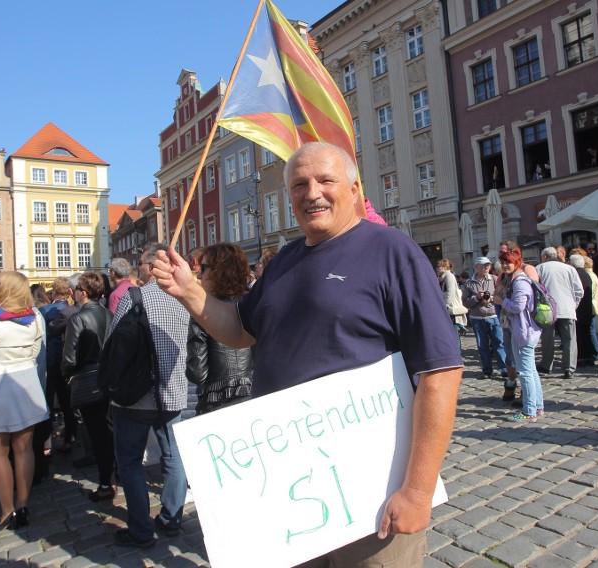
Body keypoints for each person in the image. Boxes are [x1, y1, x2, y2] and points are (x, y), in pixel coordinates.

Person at [152, 142, 463, 565]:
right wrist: (189, 290)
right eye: (299, 184)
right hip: (292, 491)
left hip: (373, 489)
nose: (311, 193)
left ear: (354, 188)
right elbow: (241, 330)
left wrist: (417, 491)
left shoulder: (391, 250)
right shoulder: (282, 262)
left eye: (325, 181)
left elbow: (441, 371)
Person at [110, 243, 190, 548]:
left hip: (136, 396)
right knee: (173, 457)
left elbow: (113, 344)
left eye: (142, 263)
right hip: (173, 391)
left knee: (130, 461)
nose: (141, 268)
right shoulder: (184, 298)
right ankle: (171, 519)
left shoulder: (134, 297)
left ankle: (141, 530)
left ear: (150, 266)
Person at [0, 271, 49, 530]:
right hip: (27, 382)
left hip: (0, 384)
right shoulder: (34, 316)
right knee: (24, 449)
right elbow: (37, 351)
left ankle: (6, 511)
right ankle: (23, 503)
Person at [61, 272, 114, 501]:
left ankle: (105, 483)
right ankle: (112, 474)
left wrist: (66, 374)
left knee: (97, 434)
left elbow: (70, 357)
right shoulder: (110, 314)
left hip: (88, 380)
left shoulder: (78, 319)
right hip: (109, 379)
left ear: (83, 293)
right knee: (109, 431)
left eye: (76, 290)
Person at [187, 244, 254, 414]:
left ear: (220, 271)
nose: (199, 275)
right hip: (256, 398)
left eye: (204, 268)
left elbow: (197, 373)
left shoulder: (204, 311)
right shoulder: (254, 303)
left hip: (217, 404)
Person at [494, 250, 543, 422]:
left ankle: (529, 411)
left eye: (508, 262)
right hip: (524, 330)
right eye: (503, 262)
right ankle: (537, 407)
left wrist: (502, 302)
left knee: (525, 372)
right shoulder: (513, 280)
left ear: (518, 262)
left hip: (524, 331)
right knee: (531, 370)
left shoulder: (520, 282)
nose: (505, 265)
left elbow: (517, 306)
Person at [38, 277, 77, 454]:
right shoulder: (74, 310)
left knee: (46, 401)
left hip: (49, 360)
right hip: (67, 360)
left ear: (53, 292)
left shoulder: (45, 311)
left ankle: (46, 442)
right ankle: (71, 436)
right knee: (67, 400)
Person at [536, 247, 583, 379]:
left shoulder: (540, 268)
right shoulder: (569, 268)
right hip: (567, 308)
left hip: (547, 309)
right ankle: (569, 368)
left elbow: (535, 289)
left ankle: (546, 365)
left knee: (548, 339)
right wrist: (574, 304)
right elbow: (579, 290)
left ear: (544, 256)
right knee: (569, 339)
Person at [462, 257, 507, 382]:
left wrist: (491, 298)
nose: (486, 268)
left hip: (494, 316)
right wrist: (476, 298)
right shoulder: (469, 283)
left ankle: (504, 369)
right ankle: (487, 370)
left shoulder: (494, 279)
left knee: (499, 343)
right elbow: (465, 303)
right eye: (483, 266)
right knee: (482, 346)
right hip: (477, 318)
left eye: (488, 265)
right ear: (476, 267)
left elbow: (502, 295)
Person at [569, 255, 596, 367]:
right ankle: (589, 357)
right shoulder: (586, 274)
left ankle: (581, 358)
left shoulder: (576, 274)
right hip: (587, 309)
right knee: (586, 335)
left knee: (580, 335)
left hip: (579, 309)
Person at [436, 259, 467, 335]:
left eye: (438, 266)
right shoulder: (441, 279)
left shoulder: (449, 276)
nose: (436, 269)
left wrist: (444, 306)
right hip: (448, 310)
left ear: (444, 267)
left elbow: (451, 293)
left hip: (451, 310)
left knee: (453, 334)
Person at [584, 256, 598, 362]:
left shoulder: (589, 275)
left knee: (591, 330)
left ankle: (595, 353)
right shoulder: (592, 274)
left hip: (591, 305)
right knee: (591, 329)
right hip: (593, 304)